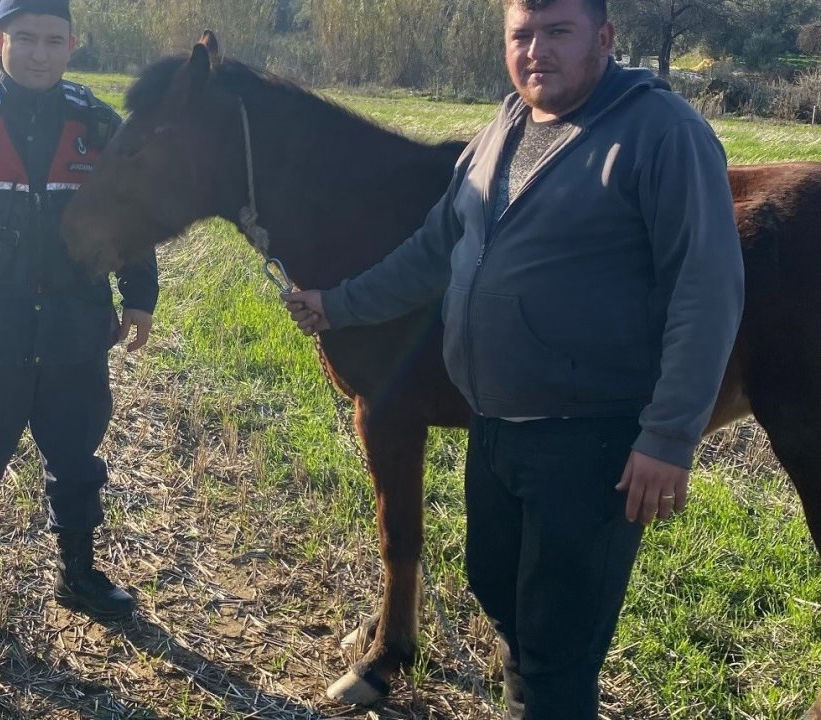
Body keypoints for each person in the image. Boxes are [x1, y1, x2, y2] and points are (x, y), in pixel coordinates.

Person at [282, 0, 743, 717]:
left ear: (604, 38)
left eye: (558, 32)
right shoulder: (504, 127)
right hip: (493, 426)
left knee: (559, 647)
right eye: (521, 35)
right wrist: (338, 304)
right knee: (503, 599)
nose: (536, 52)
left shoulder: (661, 132)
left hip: (588, 437)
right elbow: (433, 251)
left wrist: (670, 436)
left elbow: (707, 288)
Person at [0, 0, 159, 654]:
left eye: (52, 40)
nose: (39, 52)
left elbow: (134, 214)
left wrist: (140, 294)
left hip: (74, 331)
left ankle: (78, 576)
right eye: (26, 39)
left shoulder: (98, 122)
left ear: (72, 45)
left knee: (76, 460)